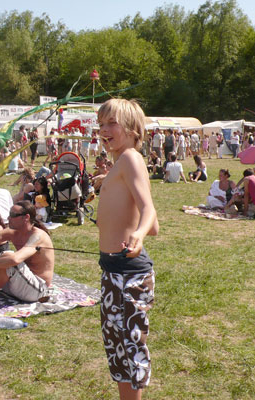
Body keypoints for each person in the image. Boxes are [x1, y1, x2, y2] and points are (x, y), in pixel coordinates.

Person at [96, 98, 159, 398]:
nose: (104, 130)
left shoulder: (131, 158)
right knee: (118, 351)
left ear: (133, 129)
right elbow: (154, 223)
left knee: (130, 353)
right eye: (101, 125)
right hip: (113, 271)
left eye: (112, 124)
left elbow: (149, 212)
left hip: (128, 274)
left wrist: (139, 234)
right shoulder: (121, 163)